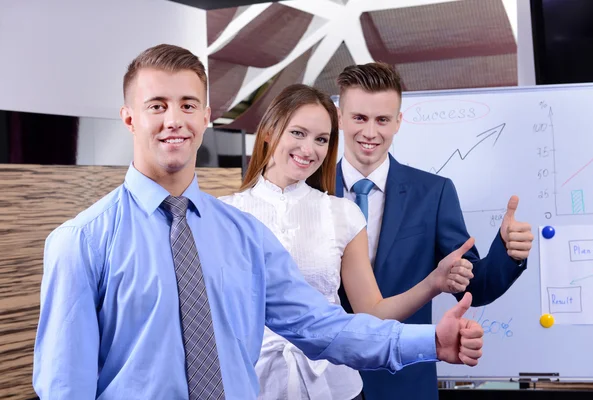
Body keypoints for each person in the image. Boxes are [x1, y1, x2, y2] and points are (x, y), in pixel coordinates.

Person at [33, 44, 484, 400]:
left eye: (189, 105)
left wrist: (429, 341)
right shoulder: (81, 242)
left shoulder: (245, 236)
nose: (175, 119)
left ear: (206, 117)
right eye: (157, 105)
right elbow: (64, 386)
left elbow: (324, 327)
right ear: (129, 118)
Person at [220, 83, 477, 400]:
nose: (309, 149)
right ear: (270, 131)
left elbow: (372, 312)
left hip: (335, 388)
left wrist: (433, 283)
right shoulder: (224, 214)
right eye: (298, 133)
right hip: (253, 385)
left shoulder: (342, 213)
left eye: (321, 140)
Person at [334, 62, 535, 400]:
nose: (370, 132)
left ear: (398, 121)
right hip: (319, 383)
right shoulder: (309, 190)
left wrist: (507, 252)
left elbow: (473, 286)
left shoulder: (433, 193)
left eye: (382, 119)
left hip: (404, 384)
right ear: (339, 116)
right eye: (359, 118)